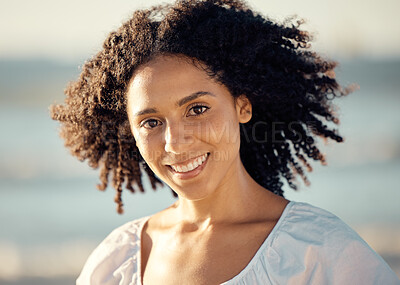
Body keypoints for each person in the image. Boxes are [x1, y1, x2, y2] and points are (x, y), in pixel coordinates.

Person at [49, 0, 400, 284]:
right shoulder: (119, 261)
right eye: (151, 122)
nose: (174, 142)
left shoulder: (319, 252)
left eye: (197, 109)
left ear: (242, 106)